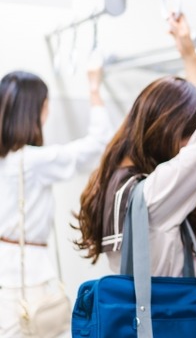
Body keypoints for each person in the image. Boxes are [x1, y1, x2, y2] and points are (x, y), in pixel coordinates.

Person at [75, 0, 196, 277]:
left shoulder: (120, 180)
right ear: (169, 132)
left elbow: (156, 260)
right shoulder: (155, 192)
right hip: (162, 321)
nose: (194, 145)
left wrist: (189, 54)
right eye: (190, 136)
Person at [0, 66, 112, 335]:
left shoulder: (9, 160)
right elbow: (99, 144)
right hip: (24, 277)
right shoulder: (32, 160)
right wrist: (94, 89)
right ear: (36, 110)